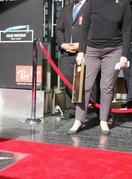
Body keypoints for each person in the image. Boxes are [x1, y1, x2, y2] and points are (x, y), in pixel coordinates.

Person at [69, 0, 131, 135]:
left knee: (107, 86)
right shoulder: (92, 2)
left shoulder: (124, 3)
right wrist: (81, 51)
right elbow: (84, 27)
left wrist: (124, 55)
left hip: (114, 50)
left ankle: (104, 120)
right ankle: (78, 120)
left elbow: (127, 29)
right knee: (85, 86)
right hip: (92, 49)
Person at [56, 0, 99, 119]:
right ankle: (71, 108)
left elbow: (95, 30)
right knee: (67, 79)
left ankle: (96, 108)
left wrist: (81, 45)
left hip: (86, 51)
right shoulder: (66, 8)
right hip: (67, 52)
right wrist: (62, 44)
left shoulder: (92, 6)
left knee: (91, 82)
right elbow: (59, 29)